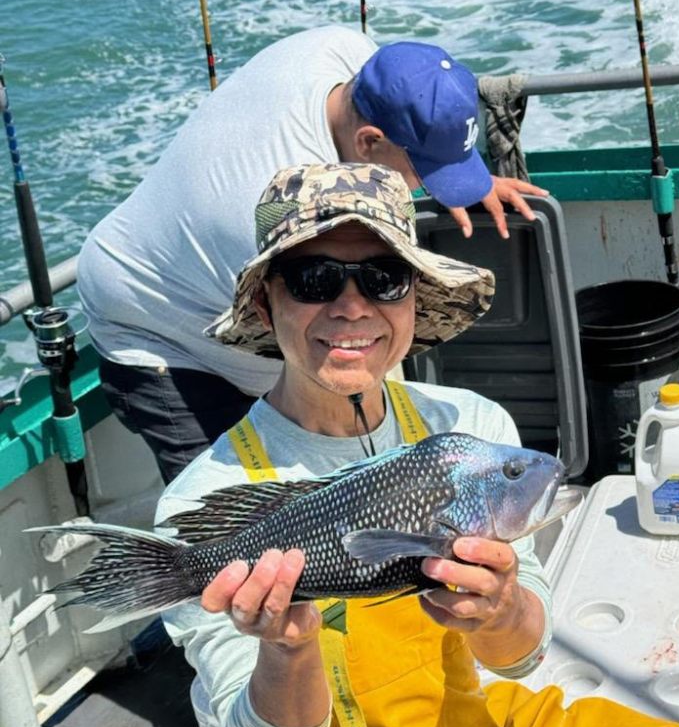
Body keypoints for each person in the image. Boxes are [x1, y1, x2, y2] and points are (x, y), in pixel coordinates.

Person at [156, 162, 679, 727]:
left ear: (412, 300)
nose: (351, 306)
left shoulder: (471, 431)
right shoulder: (205, 504)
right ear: (266, 305)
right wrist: (287, 653)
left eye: (383, 278)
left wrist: (500, 608)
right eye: (314, 280)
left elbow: (520, 660)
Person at [77, 24, 547, 485]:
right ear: (368, 142)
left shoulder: (341, 48)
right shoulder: (264, 210)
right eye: (422, 172)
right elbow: (326, 359)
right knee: (241, 514)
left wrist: (461, 179)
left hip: (190, 240)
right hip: (156, 326)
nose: (425, 187)